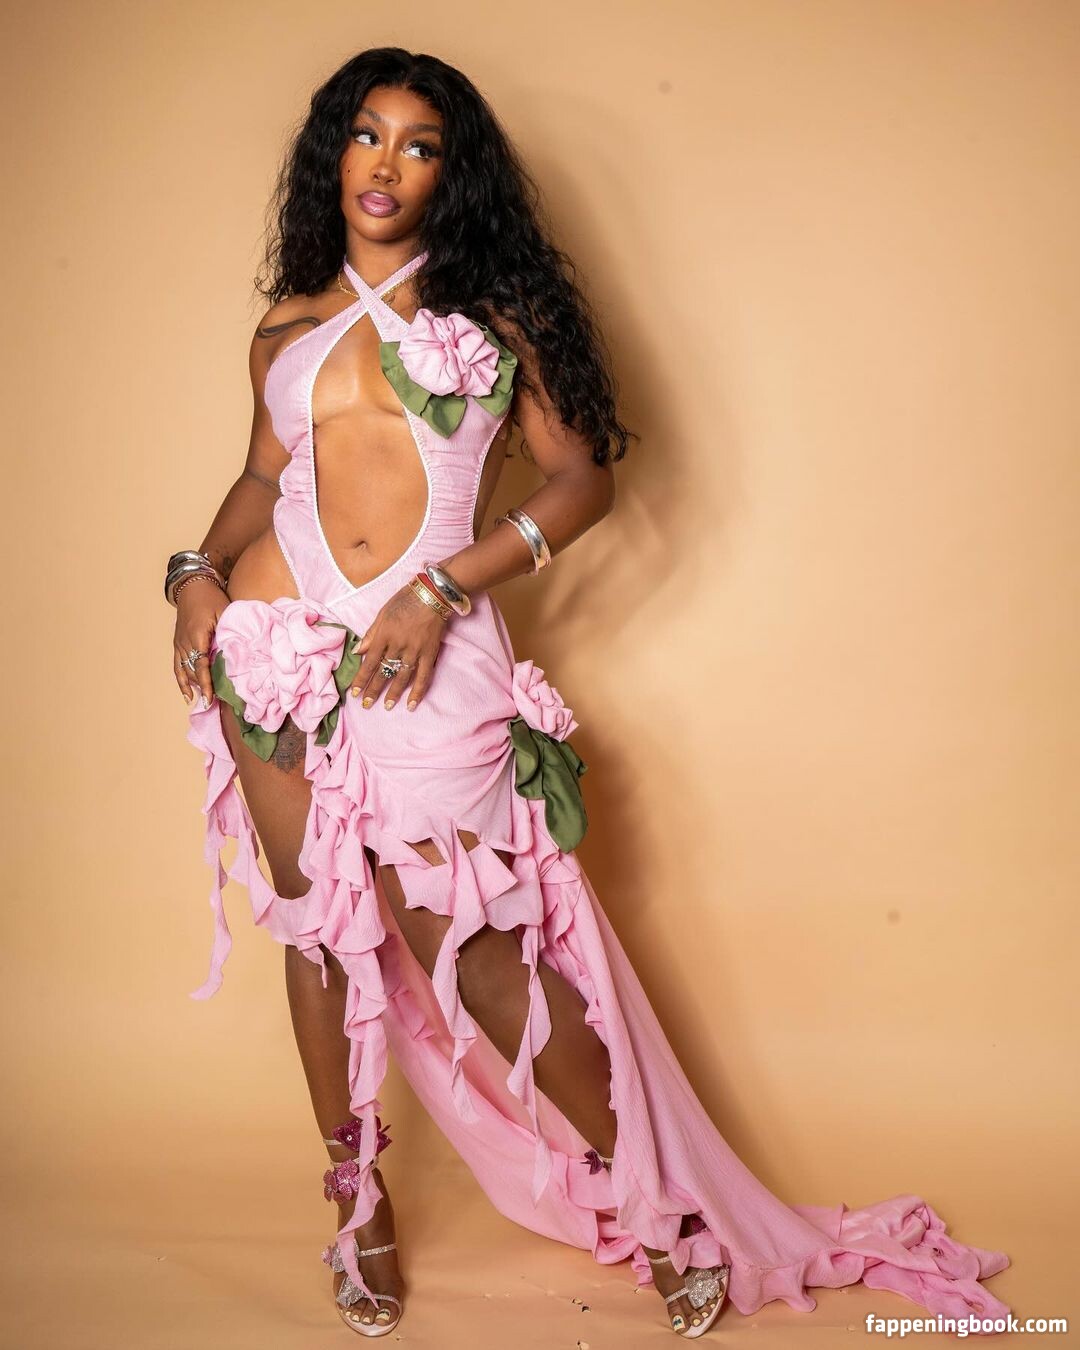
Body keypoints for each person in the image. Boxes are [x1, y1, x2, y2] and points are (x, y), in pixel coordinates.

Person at [168, 47, 1011, 1341]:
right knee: (320, 934)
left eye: (419, 144)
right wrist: (193, 574)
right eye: (365, 134)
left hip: (422, 648)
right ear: (331, 152)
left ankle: (661, 1207)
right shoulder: (283, 328)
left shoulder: (495, 315)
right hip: (275, 649)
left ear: (453, 174)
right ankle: (358, 1205)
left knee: (484, 951)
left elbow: (580, 483)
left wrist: (443, 589)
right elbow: (260, 475)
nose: (386, 165)